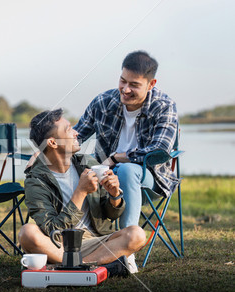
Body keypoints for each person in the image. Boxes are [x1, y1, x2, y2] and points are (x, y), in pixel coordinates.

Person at [18, 109, 145, 274]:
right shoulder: (36, 181)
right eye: (69, 129)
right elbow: (53, 230)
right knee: (27, 233)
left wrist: (115, 195)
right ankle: (96, 266)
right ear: (52, 143)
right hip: (60, 246)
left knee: (137, 234)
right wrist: (81, 192)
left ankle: (78, 265)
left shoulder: (87, 163)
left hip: (96, 240)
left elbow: (112, 214)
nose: (76, 133)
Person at [74, 51, 179, 229]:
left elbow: (159, 151)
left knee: (127, 170)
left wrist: (117, 158)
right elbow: (77, 135)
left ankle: (126, 248)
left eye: (134, 85)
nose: (125, 89)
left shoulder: (164, 106)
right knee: (76, 163)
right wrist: (45, 150)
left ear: (151, 84)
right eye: (123, 81)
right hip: (105, 175)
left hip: (149, 179)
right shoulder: (103, 102)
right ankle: (71, 236)